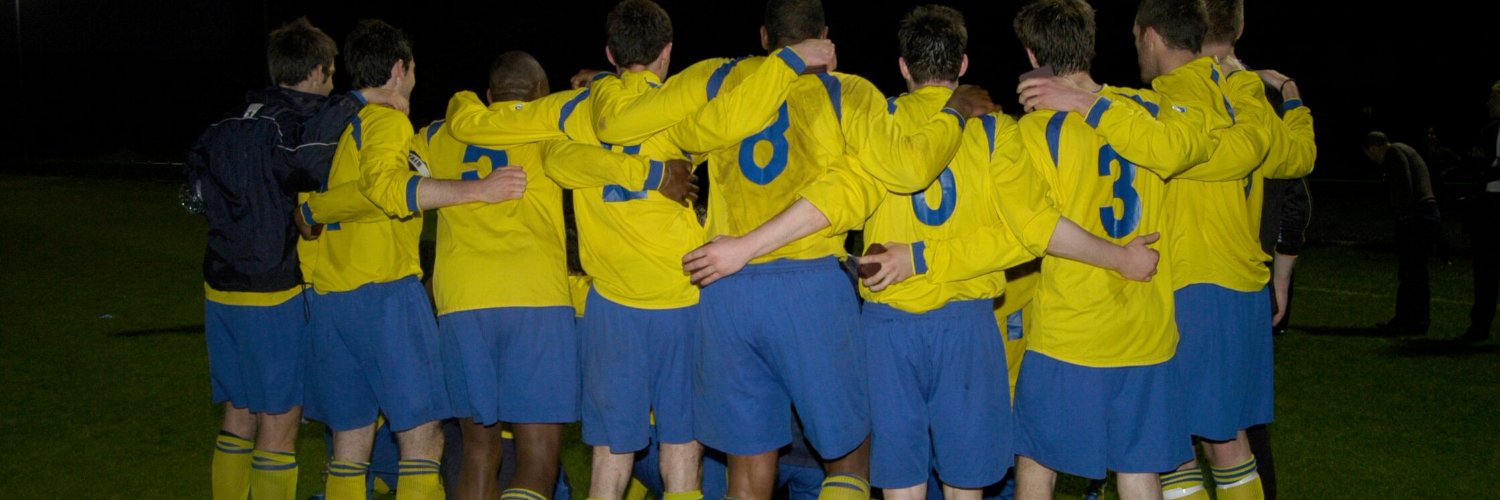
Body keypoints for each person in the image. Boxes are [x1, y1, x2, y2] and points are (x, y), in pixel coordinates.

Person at [444, 5, 834, 498]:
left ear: (610, 53)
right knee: (682, 443)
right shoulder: (682, 105)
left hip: (612, 304)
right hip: (684, 293)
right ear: (667, 52)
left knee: (611, 451)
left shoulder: (575, 109)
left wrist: (461, 105)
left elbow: (527, 146)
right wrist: (788, 63)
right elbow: (738, 117)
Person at [414, 49, 694, 500]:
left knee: (479, 452)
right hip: (536, 298)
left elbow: (400, 183)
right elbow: (612, 123)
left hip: (462, 301)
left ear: (490, 96)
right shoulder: (552, 128)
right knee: (538, 458)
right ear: (541, 94)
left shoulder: (436, 134)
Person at [292, 19, 528, 500]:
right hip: (384, 292)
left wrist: (317, 208)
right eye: (414, 66)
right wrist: (477, 190)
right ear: (399, 68)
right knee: (422, 436)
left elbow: (328, 197)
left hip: (329, 298)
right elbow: (386, 190)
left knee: (350, 443)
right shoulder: (384, 120)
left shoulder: (330, 120)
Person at [183, 17, 404, 500]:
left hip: (219, 287)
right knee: (280, 421)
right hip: (272, 291)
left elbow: (194, 195)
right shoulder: (293, 126)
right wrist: (360, 100)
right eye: (332, 76)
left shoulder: (225, 124)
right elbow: (307, 165)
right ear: (321, 70)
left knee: (240, 412)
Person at [1364, 131, 1441, 336]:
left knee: (1411, 272)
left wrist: (1404, 219)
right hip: (1426, 213)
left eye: (1370, 154)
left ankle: (1411, 320)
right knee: (1415, 272)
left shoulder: (1393, 154)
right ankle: (1412, 319)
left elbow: (1404, 187)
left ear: (1374, 148)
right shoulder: (1404, 149)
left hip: (1417, 216)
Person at [1460, 79, 1500, 343]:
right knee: (1485, 268)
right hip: (1489, 203)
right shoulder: (1491, 130)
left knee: (1486, 268)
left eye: (1493, 98)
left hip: (1495, 205)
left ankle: (1480, 326)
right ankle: (1480, 325)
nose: (1489, 103)